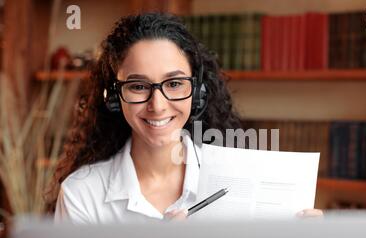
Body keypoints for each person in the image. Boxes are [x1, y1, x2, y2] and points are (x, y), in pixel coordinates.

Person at [46, 12, 321, 223]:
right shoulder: (82, 194)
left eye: (174, 84)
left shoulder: (242, 184)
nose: (158, 105)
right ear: (114, 97)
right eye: (139, 86)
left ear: (198, 92)